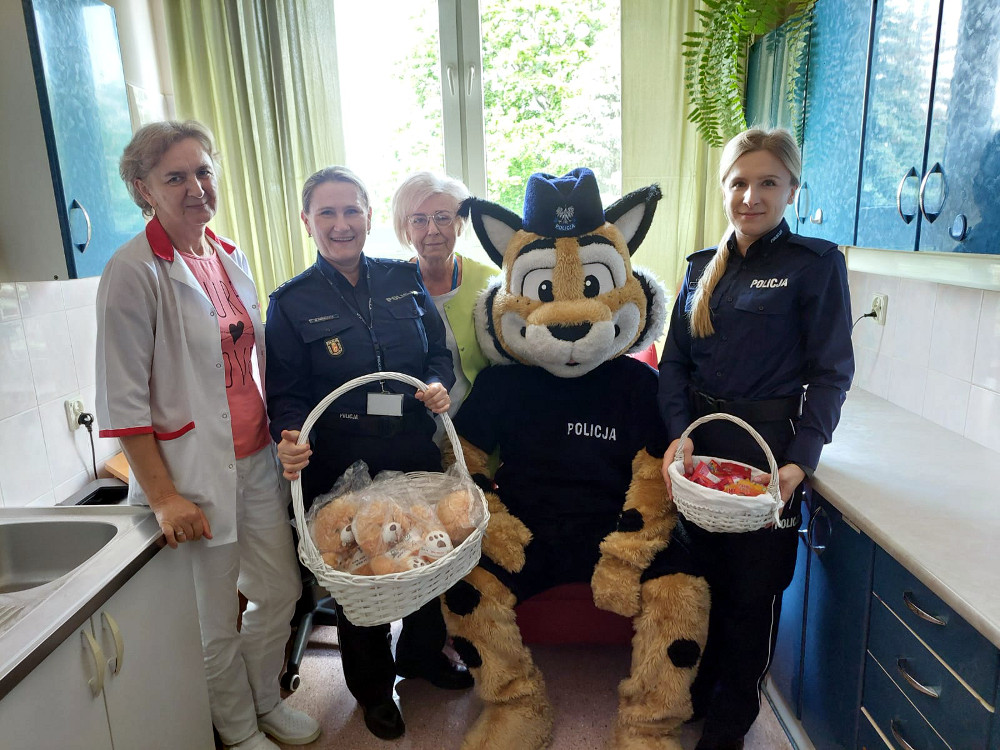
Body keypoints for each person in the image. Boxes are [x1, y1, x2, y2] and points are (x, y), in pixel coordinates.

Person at [95, 120, 320, 750]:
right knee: (213, 619)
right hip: (191, 476)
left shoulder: (226, 254)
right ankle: (239, 730)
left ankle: (265, 700)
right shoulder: (132, 271)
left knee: (279, 591)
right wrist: (165, 496)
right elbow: (122, 400)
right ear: (144, 189)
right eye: (175, 177)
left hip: (254, 461)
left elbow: (252, 364)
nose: (195, 187)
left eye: (203, 171)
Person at [657, 127, 854, 750]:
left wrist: (801, 460)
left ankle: (729, 723)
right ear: (724, 189)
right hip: (701, 454)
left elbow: (831, 374)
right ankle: (702, 693)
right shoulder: (700, 269)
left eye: (768, 182)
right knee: (704, 586)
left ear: (791, 188)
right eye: (739, 183)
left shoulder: (814, 266)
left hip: (766, 459)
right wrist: (677, 438)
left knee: (751, 598)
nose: (751, 196)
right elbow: (674, 364)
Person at [265, 166, 474, 741]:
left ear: (369, 216)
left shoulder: (403, 279)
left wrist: (436, 383)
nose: (341, 224)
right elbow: (286, 394)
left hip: (410, 446)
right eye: (327, 213)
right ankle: (374, 689)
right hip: (340, 459)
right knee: (361, 576)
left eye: (351, 210)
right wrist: (290, 434)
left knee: (426, 556)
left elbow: (436, 353)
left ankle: (423, 655)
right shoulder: (290, 303)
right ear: (307, 222)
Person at [390, 171, 497, 417]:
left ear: (460, 223)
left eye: (443, 218)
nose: (432, 230)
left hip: (476, 421)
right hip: (411, 423)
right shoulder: (390, 287)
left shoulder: (491, 282)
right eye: (419, 220)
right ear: (405, 228)